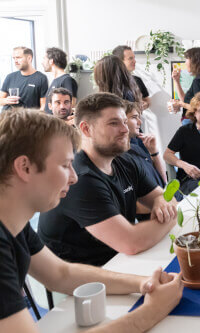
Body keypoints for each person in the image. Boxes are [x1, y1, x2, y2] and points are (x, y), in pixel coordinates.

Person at [0, 108, 182, 332]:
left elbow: (61, 273)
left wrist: (143, 283)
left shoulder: (13, 223)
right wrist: (151, 312)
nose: (74, 177)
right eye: (65, 165)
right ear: (24, 167)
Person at [38, 93, 177, 266]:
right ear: (86, 129)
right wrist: (170, 218)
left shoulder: (126, 160)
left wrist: (162, 202)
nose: (125, 129)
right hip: (84, 277)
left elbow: (163, 197)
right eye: (114, 123)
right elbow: (131, 243)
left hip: (119, 257)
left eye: (124, 122)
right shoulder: (80, 179)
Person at [124, 101, 167, 220]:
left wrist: (154, 152)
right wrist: (166, 206)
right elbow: (129, 204)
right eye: (134, 117)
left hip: (165, 204)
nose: (140, 122)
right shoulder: (119, 158)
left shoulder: (137, 148)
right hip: (155, 217)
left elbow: (163, 181)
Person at [168, 47, 200, 125]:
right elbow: (185, 100)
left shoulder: (198, 81)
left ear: (194, 61)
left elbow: (199, 108)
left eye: (187, 59)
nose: (185, 62)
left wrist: (180, 104)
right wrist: (177, 81)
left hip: (192, 122)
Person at [0, 46, 48, 111]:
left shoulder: (41, 78)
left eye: (18, 58)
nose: (15, 61)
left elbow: (43, 106)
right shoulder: (10, 77)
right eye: (14, 58)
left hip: (28, 119)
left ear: (29, 58)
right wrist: (7, 100)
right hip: (8, 118)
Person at [42, 47, 78, 113]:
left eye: (44, 59)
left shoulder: (67, 80)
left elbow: (71, 104)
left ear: (51, 61)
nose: (42, 62)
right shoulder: (55, 80)